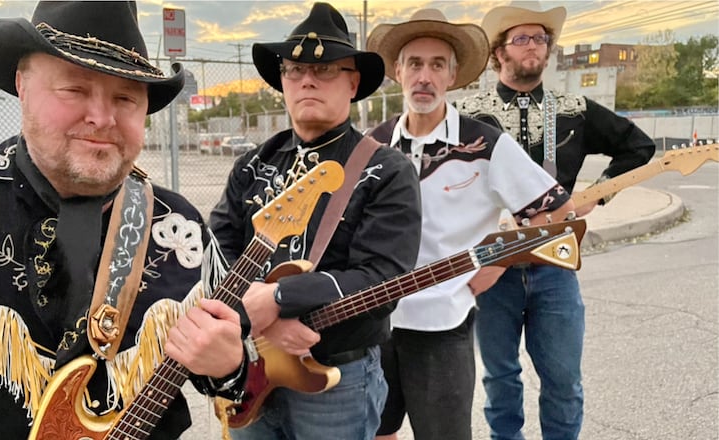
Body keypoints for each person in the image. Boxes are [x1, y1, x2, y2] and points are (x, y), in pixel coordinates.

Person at [0, 2, 247, 439]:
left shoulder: (180, 228)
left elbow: (234, 384)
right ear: (23, 85)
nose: (102, 117)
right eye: (74, 90)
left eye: (125, 98)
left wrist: (230, 366)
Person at [208, 3, 422, 439]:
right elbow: (217, 248)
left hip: (336, 380)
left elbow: (383, 278)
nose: (306, 78)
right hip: (251, 365)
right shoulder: (253, 164)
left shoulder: (387, 170)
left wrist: (280, 298)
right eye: (294, 69)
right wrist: (265, 321)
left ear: (353, 82)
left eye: (324, 69)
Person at [366, 9, 576, 440]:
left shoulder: (486, 144)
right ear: (398, 72)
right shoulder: (372, 145)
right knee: (375, 431)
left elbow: (554, 210)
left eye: (437, 65)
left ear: (453, 74)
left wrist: (497, 263)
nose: (425, 76)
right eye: (415, 64)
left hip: (442, 325)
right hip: (376, 321)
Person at [457, 2, 656, 439]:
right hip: (495, 266)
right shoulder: (469, 115)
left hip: (556, 264)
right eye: (521, 38)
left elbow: (637, 147)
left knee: (564, 381)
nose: (533, 46)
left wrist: (594, 196)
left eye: (541, 38)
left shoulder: (573, 108)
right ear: (498, 53)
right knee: (499, 379)